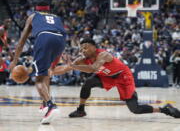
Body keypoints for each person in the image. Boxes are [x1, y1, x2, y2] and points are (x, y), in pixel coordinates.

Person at [51, 38, 180, 119]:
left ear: (93, 47)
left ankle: (165, 109)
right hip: (106, 77)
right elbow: (67, 68)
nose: (83, 50)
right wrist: (49, 72)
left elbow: (93, 68)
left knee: (135, 109)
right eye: (81, 49)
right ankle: (81, 110)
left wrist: (72, 66)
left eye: (85, 47)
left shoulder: (103, 55)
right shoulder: (82, 59)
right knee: (88, 82)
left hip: (123, 77)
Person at [9, 1, 66, 124]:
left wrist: (14, 62)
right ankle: (45, 104)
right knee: (45, 74)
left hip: (44, 38)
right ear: (48, 10)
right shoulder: (57, 18)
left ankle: (51, 106)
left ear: (36, 9)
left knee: (38, 79)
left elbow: (21, 42)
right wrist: (54, 64)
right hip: (61, 41)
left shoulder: (33, 16)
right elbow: (60, 36)